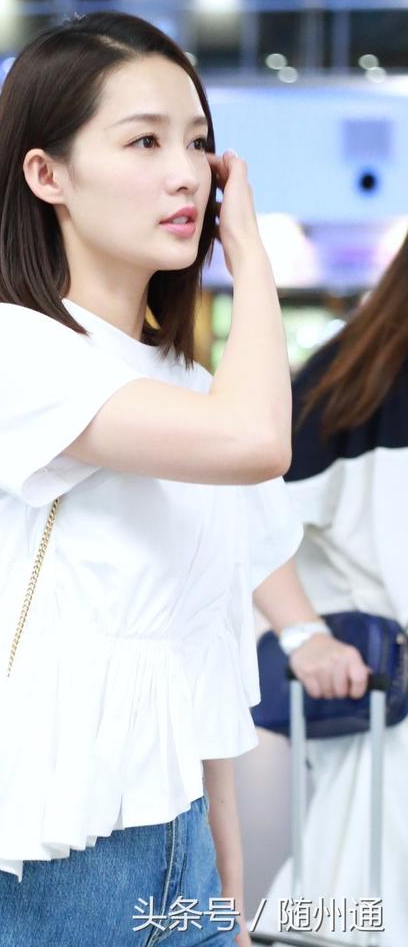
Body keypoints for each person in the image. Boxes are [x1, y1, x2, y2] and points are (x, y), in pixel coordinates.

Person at [0, 11, 304, 947]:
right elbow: (258, 440)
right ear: (47, 175)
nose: (187, 174)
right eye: (145, 141)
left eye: (197, 142)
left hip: (181, 870)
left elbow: (198, 664)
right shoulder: (6, 341)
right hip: (29, 882)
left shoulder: (188, 385)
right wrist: (251, 257)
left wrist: (224, 901)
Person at [249, 230, 408, 946]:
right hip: (384, 713)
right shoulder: (358, 377)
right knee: (354, 897)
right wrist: (305, 634)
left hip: (377, 721)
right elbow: (246, 511)